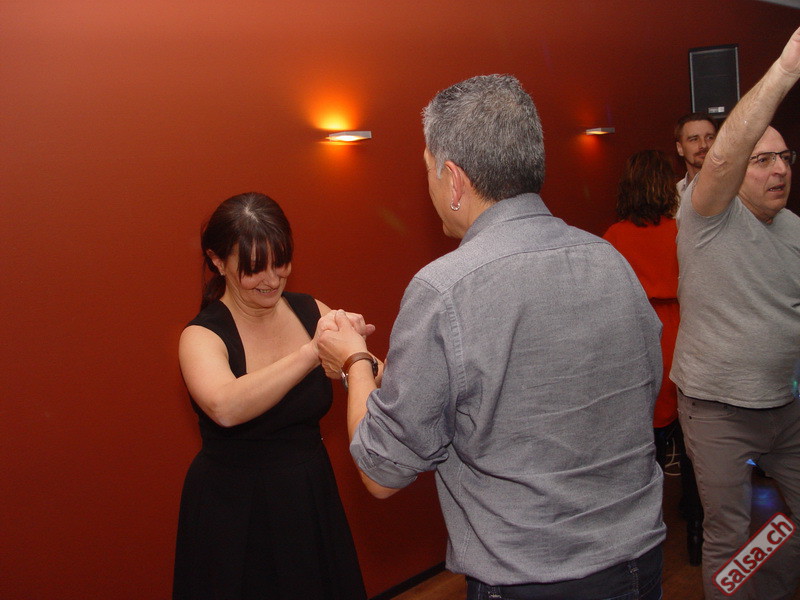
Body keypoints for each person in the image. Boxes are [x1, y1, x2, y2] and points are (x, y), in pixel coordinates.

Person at [317, 75, 666, 600]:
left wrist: (354, 362)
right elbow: (623, 393)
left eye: (429, 169)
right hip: (639, 561)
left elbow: (382, 473)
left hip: (531, 579)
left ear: (454, 180)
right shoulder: (610, 260)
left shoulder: (444, 288)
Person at [173, 193, 368, 600]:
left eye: (280, 263)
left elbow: (372, 374)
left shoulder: (311, 311)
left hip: (308, 494)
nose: (272, 279)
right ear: (217, 261)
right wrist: (312, 352)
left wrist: (359, 358)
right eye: (254, 268)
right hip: (233, 508)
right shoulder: (201, 335)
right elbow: (225, 406)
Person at [670, 28, 800, 600]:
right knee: (728, 532)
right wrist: (786, 70)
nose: (779, 171)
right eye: (762, 160)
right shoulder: (706, 216)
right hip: (718, 411)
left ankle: (768, 589)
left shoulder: (794, 230)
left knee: (782, 524)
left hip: (788, 407)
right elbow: (721, 156)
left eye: (784, 158)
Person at [603, 150, 704, 566]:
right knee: (695, 447)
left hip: (641, 341)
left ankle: (646, 535)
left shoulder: (614, 236)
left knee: (649, 449)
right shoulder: (682, 232)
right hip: (685, 336)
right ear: (667, 187)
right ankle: (696, 533)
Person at [674, 112, 717, 196]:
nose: (703, 145)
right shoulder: (675, 196)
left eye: (709, 138)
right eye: (694, 139)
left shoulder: (736, 189)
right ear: (680, 148)